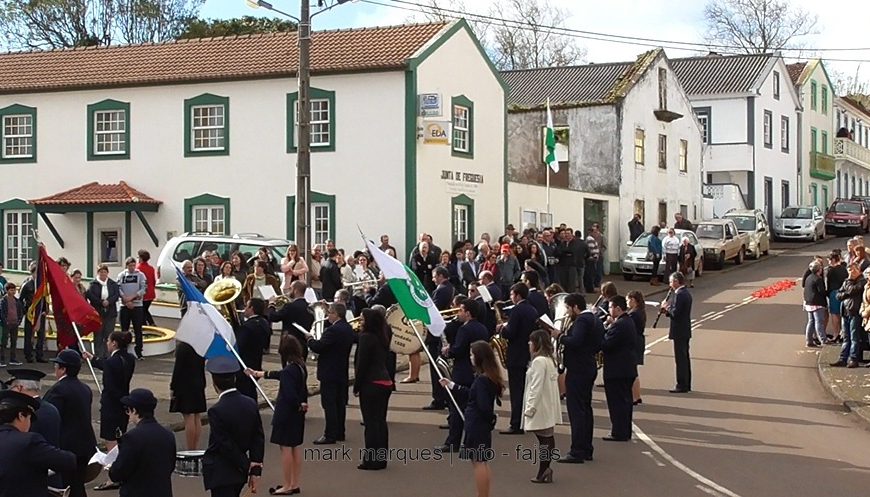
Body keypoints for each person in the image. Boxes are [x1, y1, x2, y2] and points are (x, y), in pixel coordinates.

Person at [439, 341, 503, 497]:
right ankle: (484, 493)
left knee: (478, 462)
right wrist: (453, 385)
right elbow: (472, 394)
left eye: (472, 354)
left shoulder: (482, 379)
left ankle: (482, 494)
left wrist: (488, 418)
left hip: (476, 423)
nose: (470, 357)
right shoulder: (488, 377)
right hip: (480, 424)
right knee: (482, 461)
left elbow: (482, 404)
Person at [248, 335, 308, 494]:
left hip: (287, 414)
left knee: (286, 448)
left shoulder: (289, 370)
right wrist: (259, 373)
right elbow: (281, 375)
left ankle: (287, 485)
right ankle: (294, 483)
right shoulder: (300, 366)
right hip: (297, 416)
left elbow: (289, 393)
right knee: (295, 447)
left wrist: (297, 404)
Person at [203, 356, 265, 497]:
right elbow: (257, 437)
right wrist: (255, 469)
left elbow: (224, 443)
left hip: (222, 471)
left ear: (214, 383)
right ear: (235, 380)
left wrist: (245, 464)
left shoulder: (216, 411)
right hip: (239, 474)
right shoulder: (250, 403)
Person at [82, 331, 136, 491]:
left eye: (109, 340)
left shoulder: (113, 362)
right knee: (120, 438)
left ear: (114, 343)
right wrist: (92, 358)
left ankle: (114, 475)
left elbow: (109, 371)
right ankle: (120, 471)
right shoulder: (129, 359)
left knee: (111, 440)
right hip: (123, 404)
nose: (107, 343)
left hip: (112, 405)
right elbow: (106, 364)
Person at [555, 293, 604, 464]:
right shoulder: (594, 319)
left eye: (568, 308)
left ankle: (577, 451)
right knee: (585, 409)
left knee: (576, 410)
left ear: (576, 306)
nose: (568, 312)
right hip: (587, 365)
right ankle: (586, 448)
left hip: (579, 368)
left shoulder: (582, 320)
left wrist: (559, 336)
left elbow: (575, 341)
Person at [0, 390, 76, 497]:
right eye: (29, 418)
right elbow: (68, 461)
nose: (29, 424)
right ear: (21, 416)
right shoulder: (28, 441)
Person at [43, 349, 97, 497]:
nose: (55, 369)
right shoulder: (85, 388)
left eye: (56, 366)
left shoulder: (58, 390)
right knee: (78, 484)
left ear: (63, 369)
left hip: (66, 446)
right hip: (85, 445)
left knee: (67, 486)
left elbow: (50, 416)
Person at [438, 299, 488, 453]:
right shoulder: (482, 328)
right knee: (471, 409)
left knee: (456, 409)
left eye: (460, 310)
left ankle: (452, 442)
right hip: (477, 372)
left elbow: (458, 350)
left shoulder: (464, 329)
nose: (458, 313)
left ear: (467, 313)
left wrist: (448, 350)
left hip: (462, 372)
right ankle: (470, 441)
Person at [108, 388, 176, 497]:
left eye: (128, 410)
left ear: (134, 410)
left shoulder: (131, 438)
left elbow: (118, 472)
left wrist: (112, 467)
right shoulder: (168, 435)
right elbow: (170, 465)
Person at [6, 367, 63, 488]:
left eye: (12, 388)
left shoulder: (23, 412)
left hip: (32, 478)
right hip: (52, 473)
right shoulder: (51, 409)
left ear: (20, 388)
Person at [306, 302, 354, 444]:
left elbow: (319, 347)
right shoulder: (348, 328)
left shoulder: (333, 331)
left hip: (330, 372)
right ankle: (340, 432)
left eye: (330, 313)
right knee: (339, 403)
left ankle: (330, 434)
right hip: (341, 370)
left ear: (336, 314)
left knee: (329, 404)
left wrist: (310, 339)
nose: (328, 316)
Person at [353, 308, 394, 470]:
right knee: (380, 422)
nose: (360, 322)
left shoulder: (366, 338)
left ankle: (371, 460)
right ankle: (381, 459)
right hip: (385, 382)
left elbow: (361, 364)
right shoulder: (382, 336)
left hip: (371, 383)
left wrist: (356, 386)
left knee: (370, 424)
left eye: (362, 320)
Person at [522, 330, 561, 483]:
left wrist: (530, 407)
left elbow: (535, 387)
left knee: (544, 439)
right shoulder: (549, 359)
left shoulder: (539, 362)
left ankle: (543, 470)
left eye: (531, 341)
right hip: (548, 404)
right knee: (547, 437)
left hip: (540, 406)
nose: (529, 344)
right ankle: (545, 469)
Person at [498, 283, 537, 435]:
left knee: (516, 391)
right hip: (527, 353)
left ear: (518, 295)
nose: (511, 297)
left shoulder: (517, 310)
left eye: (512, 295)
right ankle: (524, 421)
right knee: (524, 390)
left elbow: (511, 333)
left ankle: (516, 424)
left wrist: (502, 329)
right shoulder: (532, 309)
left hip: (516, 354)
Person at [600, 296, 637, 442]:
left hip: (617, 370)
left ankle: (618, 432)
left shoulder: (619, 325)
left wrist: (604, 329)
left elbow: (606, 344)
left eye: (610, 307)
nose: (609, 310)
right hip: (626, 368)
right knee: (625, 402)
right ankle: (625, 431)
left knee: (617, 403)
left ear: (618, 308)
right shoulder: (627, 321)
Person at [423, 267, 454, 411]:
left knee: (436, 368)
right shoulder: (449, 287)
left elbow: (433, 310)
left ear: (441, 276)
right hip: (441, 333)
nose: (433, 279)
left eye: (435, 277)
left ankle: (439, 399)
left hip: (436, 335)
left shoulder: (441, 290)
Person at [170, 341, 206, 451]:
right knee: (196, 416)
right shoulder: (201, 345)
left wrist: (173, 386)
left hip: (185, 384)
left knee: (188, 416)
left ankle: (190, 448)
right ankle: (195, 446)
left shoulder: (183, 347)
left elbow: (178, 369)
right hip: (198, 382)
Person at [661, 272, 694, 392]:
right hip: (684, 330)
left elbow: (676, 313)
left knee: (680, 359)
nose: (670, 284)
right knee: (684, 358)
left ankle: (682, 385)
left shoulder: (680, 294)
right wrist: (668, 311)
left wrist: (667, 307)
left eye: (671, 281)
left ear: (676, 281)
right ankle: (687, 383)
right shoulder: (684, 293)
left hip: (680, 330)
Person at [268, 280, 315, 362]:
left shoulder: (290, 306)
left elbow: (273, 317)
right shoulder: (310, 307)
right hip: (303, 344)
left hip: (288, 344)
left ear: (295, 290)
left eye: (290, 288)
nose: (289, 291)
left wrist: (271, 304)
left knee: (288, 371)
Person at [235, 298, 272, 401]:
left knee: (245, 394)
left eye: (247, 306)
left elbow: (239, 346)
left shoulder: (247, 327)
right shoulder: (264, 323)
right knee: (251, 391)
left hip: (245, 366)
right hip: (256, 362)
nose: (244, 309)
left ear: (252, 308)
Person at [831, 262, 866, 368]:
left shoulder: (862, 281)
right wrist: (846, 293)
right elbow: (838, 295)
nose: (851, 273)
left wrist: (847, 289)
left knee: (854, 337)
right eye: (849, 271)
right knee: (846, 337)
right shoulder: (847, 281)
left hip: (854, 312)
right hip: (845, 312)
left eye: (853, 270)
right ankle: (843, 358)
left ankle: (853, 359)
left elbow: (853, 290)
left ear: (858, 270)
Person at [86, 264, 121, 359]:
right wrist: (101, 302)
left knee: (109, 335)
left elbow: (116, 295)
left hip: (110, 313)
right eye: (101, 272)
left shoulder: (112, 284)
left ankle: (108, 355)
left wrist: (108, 301)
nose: (103, 274)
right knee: (98, 335)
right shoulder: (93, 284)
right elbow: (90, 295)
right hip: (98, 313)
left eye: (105, 272)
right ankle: (98, 356)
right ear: (98, 273)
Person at [117, 257, 147, 360]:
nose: (132, 268)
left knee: (138, 329)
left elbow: (143, 289)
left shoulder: (140, 275)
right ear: (126, 266)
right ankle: (123, 351)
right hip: (124, 306)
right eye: (130, 266)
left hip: (137, 306)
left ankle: (139, 352)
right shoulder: (121, 275)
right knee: (124, 330)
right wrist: (126, 300)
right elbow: (118, 288)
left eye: (134, 265)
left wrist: (133, 297)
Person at [20, 262, 47, 363]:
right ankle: (28, 355)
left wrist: (44, 310)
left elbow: (44, 298)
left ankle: (39, 355)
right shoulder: (27, 285)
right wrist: (25, 311)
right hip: (30, 313)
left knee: (41, 335)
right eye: (36, 272)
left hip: (40, 313)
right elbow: (21, 300)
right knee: (29, 335)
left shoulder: (42, 285)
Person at [627, 291, 647, 405]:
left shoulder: (634, 314)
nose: (627, 302)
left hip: (634, 342)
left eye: (628, 300)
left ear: (633, 300)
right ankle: (636, 396)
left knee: (632, 371)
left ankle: (635, 397)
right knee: (634, 371)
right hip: (639, 341)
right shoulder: (640, 311)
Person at [803, 261, 830, 348]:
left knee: (811, 322)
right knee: (819, 322)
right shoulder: (818, 279)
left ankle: (809, 340)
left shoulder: (809, 278)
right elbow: (822, 291)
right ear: (819, 270)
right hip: (817, 303)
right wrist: (828, 293)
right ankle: (823, 340)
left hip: (809, 303)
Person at [825, 252, 847, 343]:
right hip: (843, 292)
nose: (829, 263)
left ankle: (835, 334)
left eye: (829, 261)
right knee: (843, 314)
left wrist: (827, 293)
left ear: (833, 260)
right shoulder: (844, 269)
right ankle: (843, 333)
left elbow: (828, 283)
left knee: (835, 314)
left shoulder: (831, 270)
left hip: (834, 293)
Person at [0, 282, 23, 367]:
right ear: (7, 290)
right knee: (4, 342)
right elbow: (1, 312)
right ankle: (2, 359)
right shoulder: (3, 301)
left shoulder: (17, 301)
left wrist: (19, 320)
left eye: (14, 290)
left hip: (15, 324)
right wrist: (5, 321)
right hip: (6, 324)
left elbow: (20, 311)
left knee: (14, 341)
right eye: (11, 290)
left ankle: (13, 359)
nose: (13, 292)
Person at [136, 250, 157, 327]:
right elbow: (154, 281)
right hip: (151, 293)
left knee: (142, 310)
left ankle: (147, 324)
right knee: (145, 310)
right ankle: (149, 323)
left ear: (141, 258)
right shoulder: (151, 268)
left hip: (143, 293)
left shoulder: (138, 268)